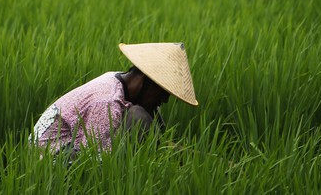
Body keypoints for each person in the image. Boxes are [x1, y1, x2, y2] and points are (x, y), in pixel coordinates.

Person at [31, 42, 198, 158]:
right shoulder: (107, 101)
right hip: (50, 159)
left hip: (72, 148)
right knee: (138, 117)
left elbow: (159, 145)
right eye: (162, 93)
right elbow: (95, 158)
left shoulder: (120, 81)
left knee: (142, 117)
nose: (165, 100)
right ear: (145, 81)